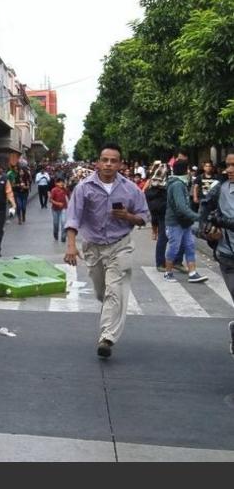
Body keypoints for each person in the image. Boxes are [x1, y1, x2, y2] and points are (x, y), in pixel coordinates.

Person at [64, 143, 149, 359]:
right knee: (103, 292)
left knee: (116, 289)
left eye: (113, 160)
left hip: (120, 244)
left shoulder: (131, 189)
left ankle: (107, 337)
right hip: (93, 246)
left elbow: (143, 216)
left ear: (120, 164)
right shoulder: (84, 187)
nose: (109, 164)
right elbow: (73, 217)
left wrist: (128, 217)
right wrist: (71, 246)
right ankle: (109, 319)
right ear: (98, 163)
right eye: (105, 160)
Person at [195, 152, 234, 359]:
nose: (229, 170)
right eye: (228, 165)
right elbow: (204, 208)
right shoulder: (220, 188)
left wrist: (223, 222)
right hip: (229, 256)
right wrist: (207, 230)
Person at [163, 159, 209, 283]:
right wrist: (197, 217)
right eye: (188, 169)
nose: (189, 172)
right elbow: (181, 207)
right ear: (185, 170)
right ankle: (168, 272)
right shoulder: (177, 185)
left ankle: (193, 273)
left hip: (184, 222)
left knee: (190, 245)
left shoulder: (180, 183)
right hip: (175, 222)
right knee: (174, 247)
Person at [143, 161, 170, 271]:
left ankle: (163, 262)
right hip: (163, 212)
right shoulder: (165, 183)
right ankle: (160, 263)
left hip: (155, 210)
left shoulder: (151, 182)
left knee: (163, 236)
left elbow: (144, 192)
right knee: (163, 237)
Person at [50, 176, 69, 242]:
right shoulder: (54, 190)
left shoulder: (65, 189)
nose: (61, 184)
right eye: (60, 182)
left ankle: (63, 236)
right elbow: (50, 200)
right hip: (55, 209)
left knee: (63, 222)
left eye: (62, 182)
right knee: (56, 223)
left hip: (63, 208)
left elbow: (69, 196)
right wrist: (57, 203)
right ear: (56, 183)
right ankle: (55, 234)